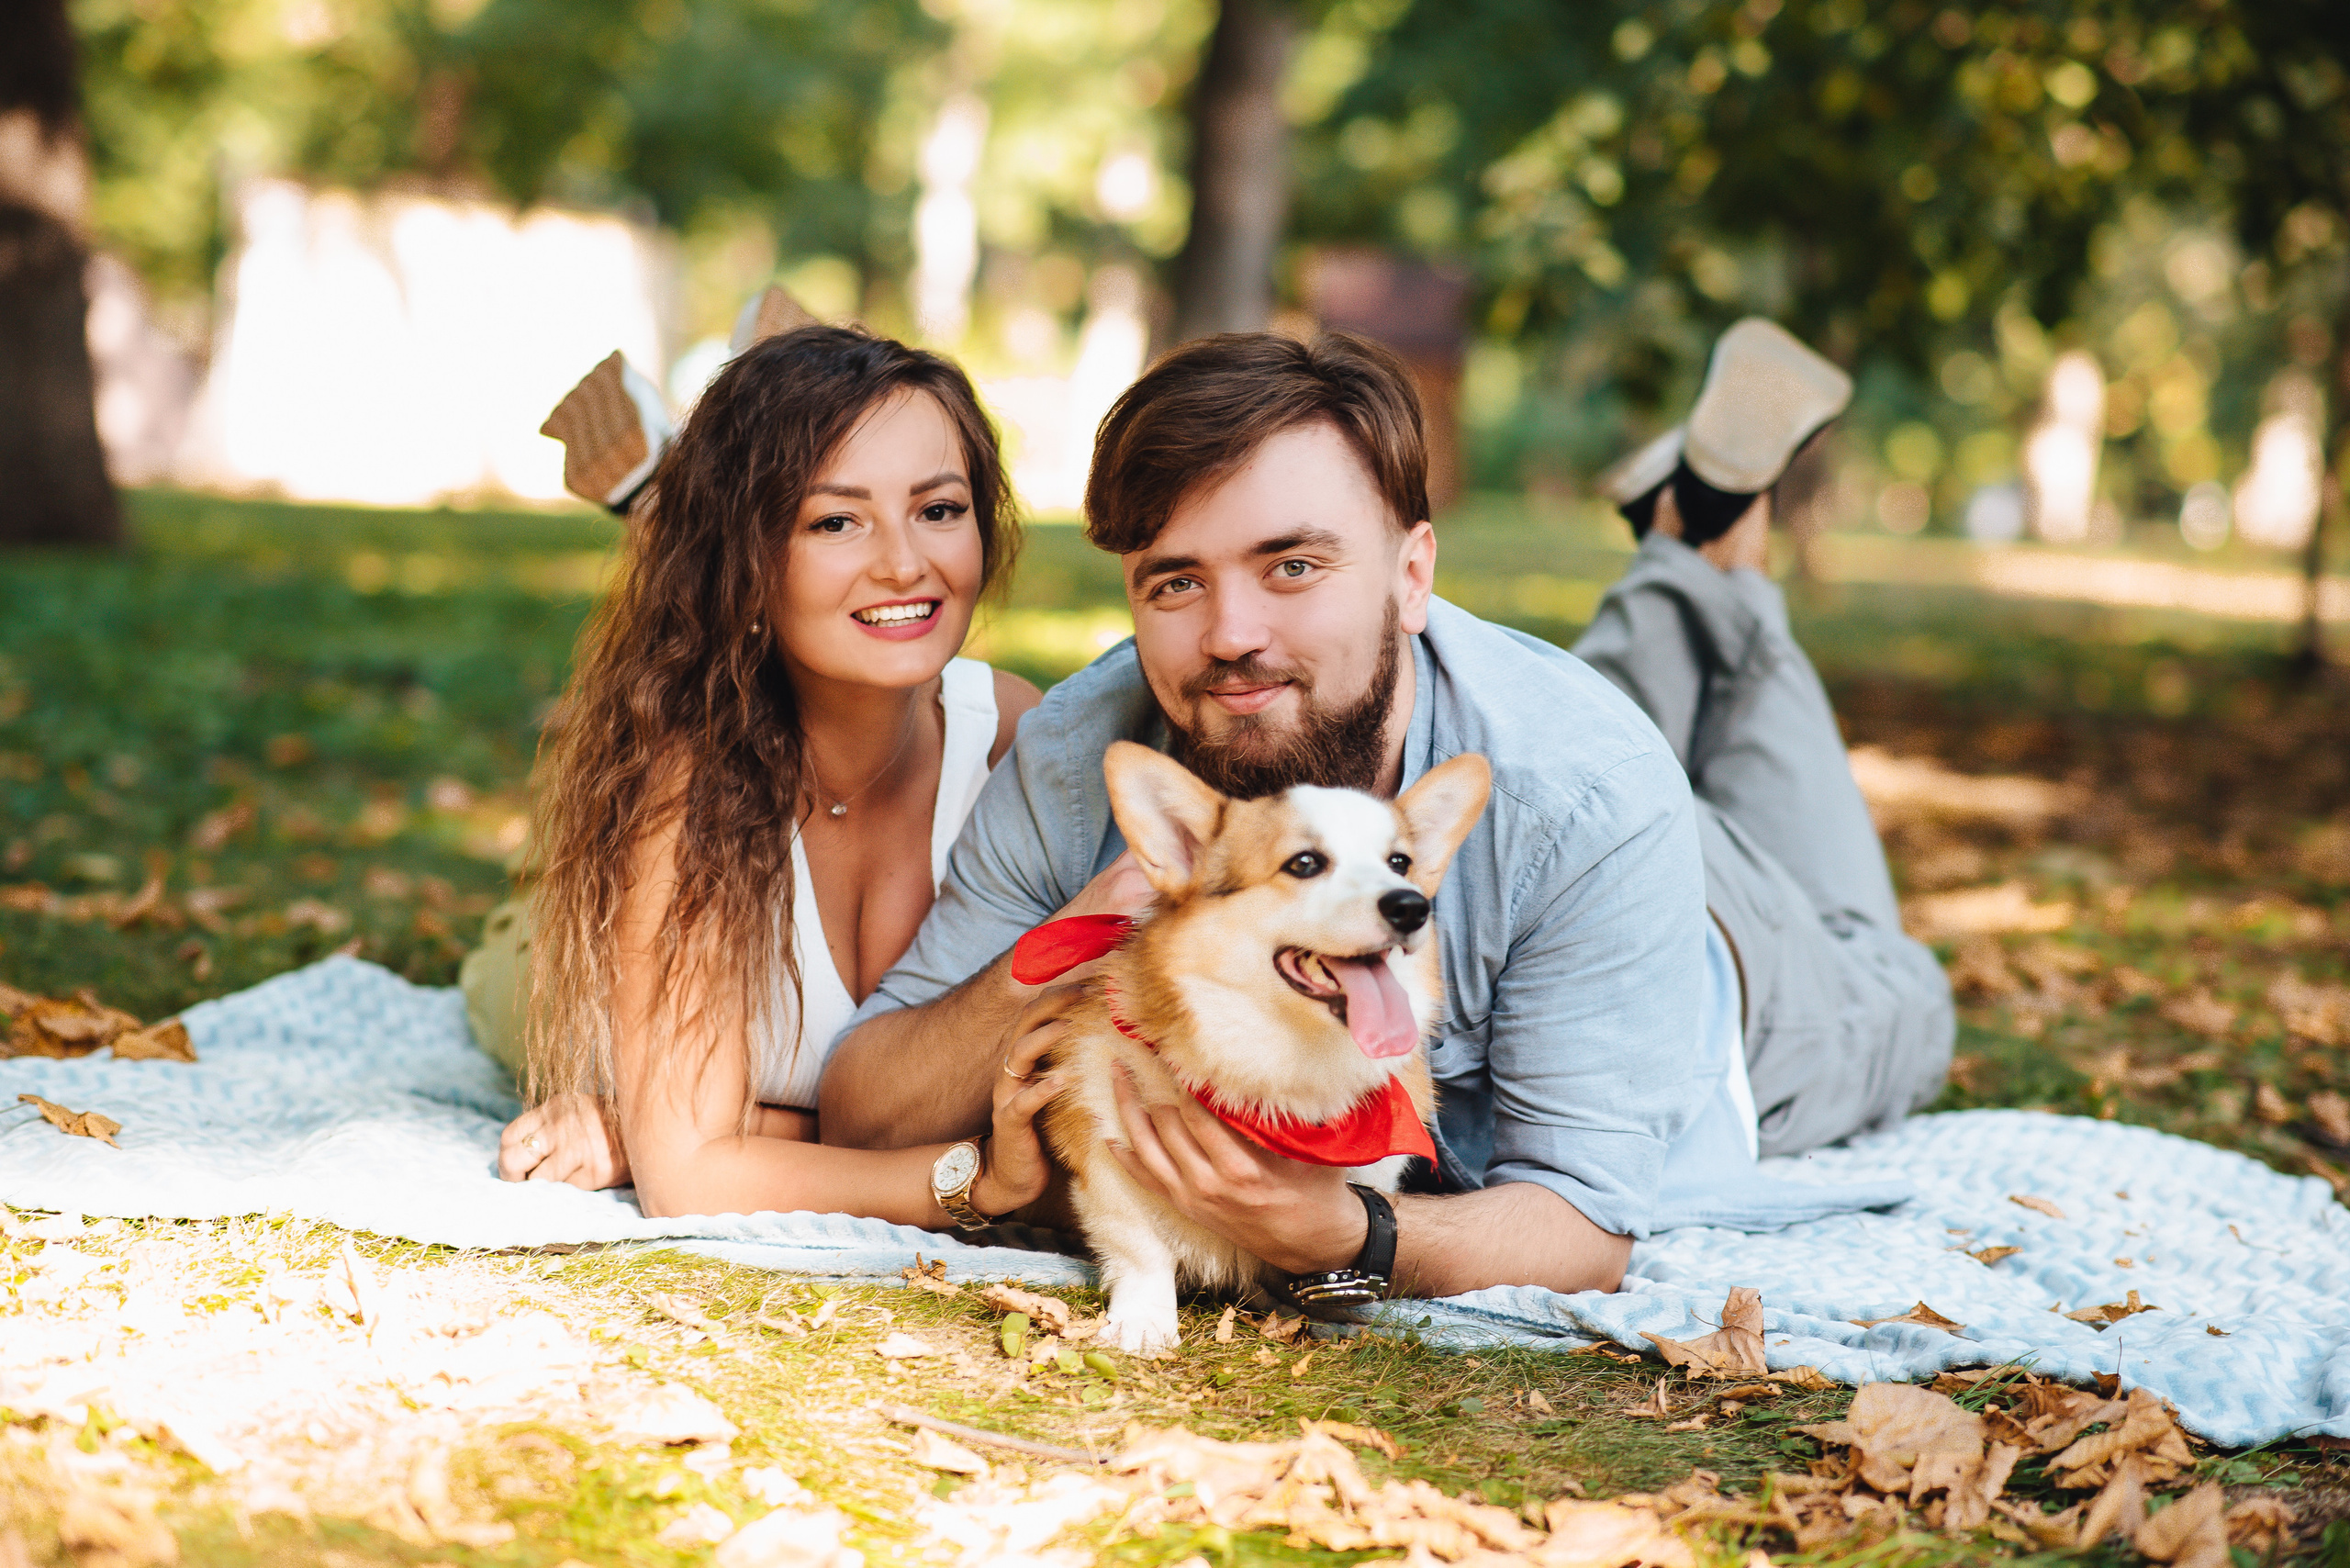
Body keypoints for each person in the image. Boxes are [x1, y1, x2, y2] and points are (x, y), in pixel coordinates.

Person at [816, 325, 1951, 1300]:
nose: (1230, 635)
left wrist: (1352, 1239)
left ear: (1414, 577)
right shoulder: (1083, 760)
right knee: (1608, 722)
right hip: (1515, 776)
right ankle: (1692, 534)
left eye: (1292, 565)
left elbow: (1585, 1223)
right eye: (1175, 581)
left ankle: (1716, 559)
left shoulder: (1589, 789)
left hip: (1734, 975)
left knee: (1904, 986)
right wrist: (1101, 934)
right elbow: (868, 1109)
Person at [477, 323, 1071, 1232]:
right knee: (510, 988)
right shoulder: (688, 786)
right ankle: (664, 499)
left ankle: (679, 484)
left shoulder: (1008, 739)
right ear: (751, 563)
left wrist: (722, 1129)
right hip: (542, 964)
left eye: (939, 510)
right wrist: (972, 1179)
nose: (907, 563)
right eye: (836, 519)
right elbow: (690, 1182)